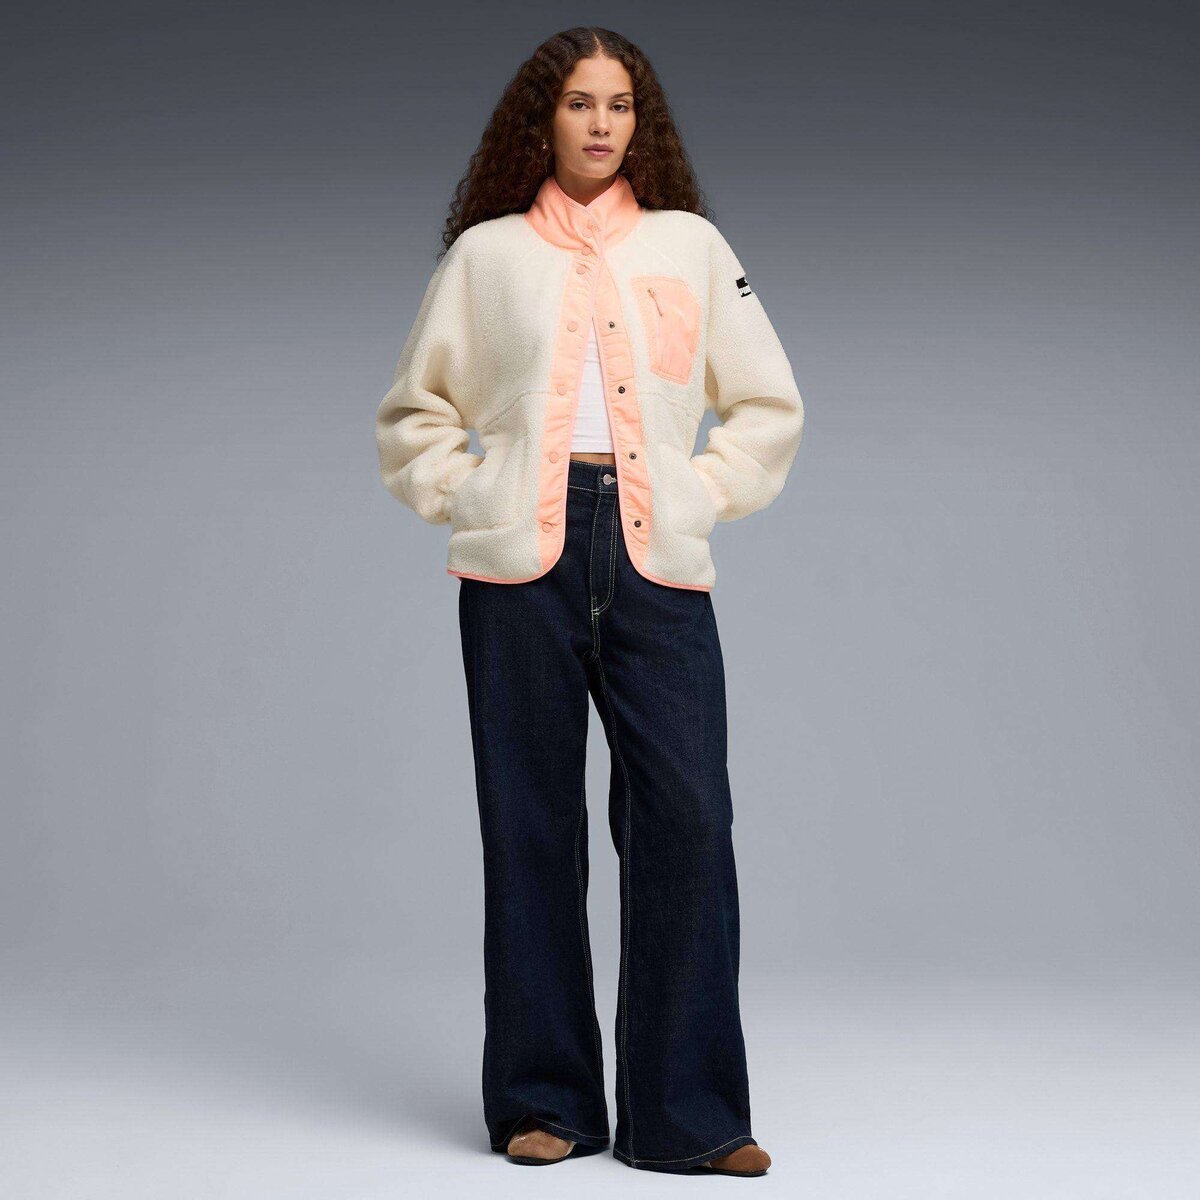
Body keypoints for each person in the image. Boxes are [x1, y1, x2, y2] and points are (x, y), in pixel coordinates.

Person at [375, 25, 804, 1178]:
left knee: (689, 821)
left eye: (619, 103)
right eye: (578, 102)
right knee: (530, 828)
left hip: (657, 554)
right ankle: (545, 1102)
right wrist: (474, 494)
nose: (601, 122)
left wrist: (701, 492)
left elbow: (767, 405)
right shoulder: (486, 258)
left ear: (640, 122)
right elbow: (412, 416)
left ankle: (690, 1114)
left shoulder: (691, 246)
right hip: (521, 562)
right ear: (542, 119)